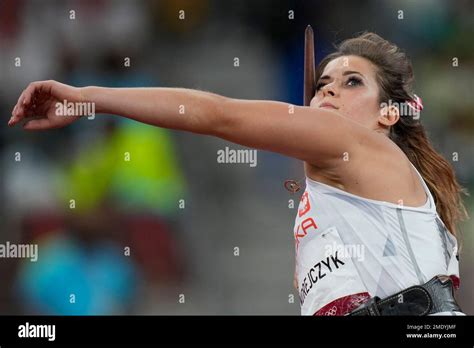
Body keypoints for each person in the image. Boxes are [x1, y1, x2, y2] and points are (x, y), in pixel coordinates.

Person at [9, 32, 469, 316]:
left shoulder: (356, 142)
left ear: (388, 114)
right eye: (322, 85)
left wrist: (88, 96)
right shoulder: (350, 197)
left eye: (352, 83)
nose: (328, 92)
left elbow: (217, 115)